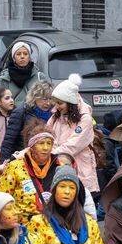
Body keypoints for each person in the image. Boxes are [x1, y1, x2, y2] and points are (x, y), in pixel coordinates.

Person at [46, 74, 100, 203]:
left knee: (82, 204)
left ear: (70, 102)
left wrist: (50, 154)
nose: (56, 106)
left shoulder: (85, 119)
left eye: (60, 103)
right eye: (55, 102)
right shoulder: (56, 117)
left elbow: (73, 145)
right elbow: (47, 135)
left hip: (80, 167)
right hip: (59, 166)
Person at [0, 131, 57, 220]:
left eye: (49, 143)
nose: (45, 148)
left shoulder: (58, 167)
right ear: (31, 147)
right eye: (41, 143)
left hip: (52, 224)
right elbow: (2, 197)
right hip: (22, 224)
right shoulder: (15, 167)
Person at [0, 80, 56, 159]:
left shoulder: (54, 114)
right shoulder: (21, 112)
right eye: (44, 99)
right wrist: (4, 162)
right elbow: (8, 141)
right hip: (23, 157)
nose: (48, 103)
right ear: (35, 97)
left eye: (50, 99)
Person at [0, 41, 45, 107]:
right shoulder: (4, 79)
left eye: (25, 54)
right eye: (18, 54)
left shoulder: (40, 77)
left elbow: (46, 100)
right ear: (13, 58)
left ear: (29, 57)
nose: (22, 56)